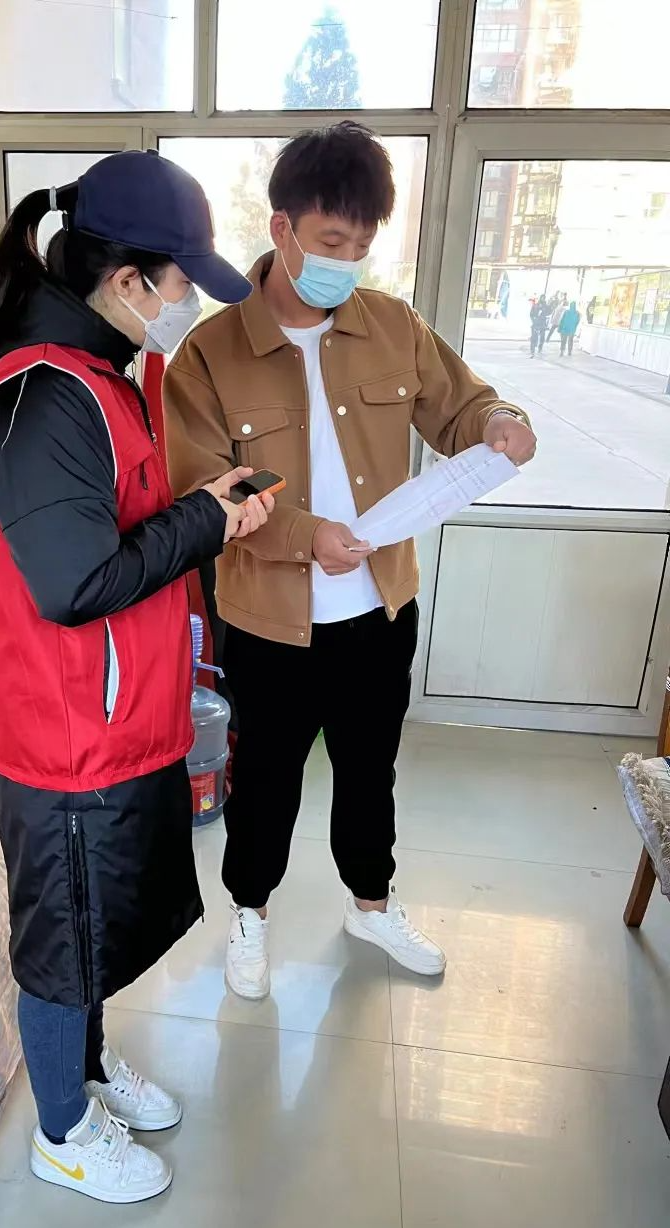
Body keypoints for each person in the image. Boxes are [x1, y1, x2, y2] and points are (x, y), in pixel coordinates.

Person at [0, 151, 274, 1204]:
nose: (188, 303)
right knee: (61, 941)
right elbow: (76, 582)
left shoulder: (102, 375)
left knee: (96, 927)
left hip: (114, 719)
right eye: (181, 282)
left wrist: (205, 510)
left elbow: (116, 526)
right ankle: (61, 1130)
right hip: (64, 739)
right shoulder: (45, 392)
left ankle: (86, 1074)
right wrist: (205, 522)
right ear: (129, 279)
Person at [164, 122, 536, 1000]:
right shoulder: (210, 353)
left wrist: (499, 421)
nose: (347, 262)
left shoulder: (393, 326)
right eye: (331, 242)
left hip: (379, 609)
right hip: (268, 620)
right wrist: (305, 535)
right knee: (267, 781)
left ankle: (372, 903)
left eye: (362, 246)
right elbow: (203, 491)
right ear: (282, 227)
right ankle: (249, 914)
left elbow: (461, 408)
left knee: (371, 771)